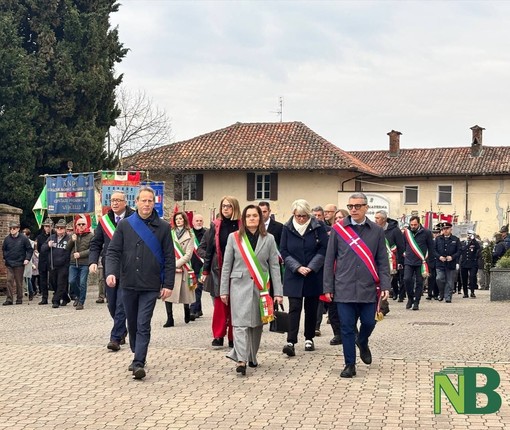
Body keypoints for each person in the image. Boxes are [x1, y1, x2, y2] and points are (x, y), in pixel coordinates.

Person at [106, 186, 175, 380]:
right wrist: (111, 272)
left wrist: (168, 284)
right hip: (128, 283)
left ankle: (138, 362)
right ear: (136, 202)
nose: (146, 204)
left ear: (155, 203)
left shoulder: (163, 227)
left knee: (143, 323)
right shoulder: (125, 225)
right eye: (143, 200)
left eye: (150, 201)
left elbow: (170, 258)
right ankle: (137, 350)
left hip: (150, 285)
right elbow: (113, 252)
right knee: (133, 322)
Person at [323, 192, 391, 378]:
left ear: (366, 208)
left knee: (369, 322)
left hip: (368, 287)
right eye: (350, 206)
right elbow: (330, 260)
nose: (353, 209)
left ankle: (362, 341)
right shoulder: (338, 229)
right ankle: (349, 364)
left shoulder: (376, 231)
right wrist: (328, 287)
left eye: (358, 206)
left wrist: (385, 285)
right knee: (346, 327)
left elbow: (382, 261)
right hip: (344, 287)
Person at [220, 205, 283, 375]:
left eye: (255, 215)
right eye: (248, 216)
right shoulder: (234, 238)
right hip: (238, 285)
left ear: (260, 218)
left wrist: (278, 293)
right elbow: (226, 265)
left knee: (256, 324)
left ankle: (252, 355)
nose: (252, 218)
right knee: (239, 324)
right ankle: (241, 360)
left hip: (261, 287)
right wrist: (223, 290)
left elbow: (274, 266)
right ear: (243, 219)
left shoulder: (269, 239)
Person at [280, 199, 329, 356]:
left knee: (311, 308)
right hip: (294, 274)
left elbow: (323, 248)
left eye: (304, 216)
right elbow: (284, 250)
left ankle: (309, 338)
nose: (301, 218)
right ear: (293, 214)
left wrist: (312, 266)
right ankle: (291, 340)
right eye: (298, 216)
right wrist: (297, 267)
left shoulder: (318, 227)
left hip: (312, 273)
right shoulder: (287, 228)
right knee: (294, 307)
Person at [89, 190, 135, 351]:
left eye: (118, 200)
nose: (114, 203)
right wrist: (93, 261)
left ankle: (115, 338)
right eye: (112, 200)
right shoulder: (104, 221)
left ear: (125, 202)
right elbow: (96, 243)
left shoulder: (134, 218)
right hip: (110, 266)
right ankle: (122, 329)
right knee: (112, 303)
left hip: (129, 266)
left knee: (122, 301)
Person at [201, 196, 241, 348]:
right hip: (219, 268)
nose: (225, 209)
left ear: (235, 208)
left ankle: (233, 336)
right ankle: (218, 335)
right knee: (220, 303)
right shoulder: (216, 225)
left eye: (229, 206)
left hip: (237, 268)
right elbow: (210, 249)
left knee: (235, 304)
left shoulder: (240, 225)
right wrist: (205, 271)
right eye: (223, 206)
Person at [163, 211, 196, 326]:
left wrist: (176, 264)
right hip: (171, 267)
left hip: (184, 267)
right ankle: (169, 318)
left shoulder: (190, 235)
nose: (178, 221)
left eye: (181, 219)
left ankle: (187, 311)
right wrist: (170, 264)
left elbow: (188, 254)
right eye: (177, 219)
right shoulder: (170, 233)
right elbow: (166, 249)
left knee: (184, 293)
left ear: (184, 220)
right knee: (168, 293)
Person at [374, 209, 404, 312]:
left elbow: (401, 246)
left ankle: (382, 307)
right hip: (377, 261)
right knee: (379, 284)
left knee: (385, 283)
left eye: (377, 218)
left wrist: (400, 262)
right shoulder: (375, 230)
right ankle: (384, 306)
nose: (375, 220)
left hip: (391, 261)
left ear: (384, 219)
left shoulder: (395, 230)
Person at [402, 216, 434, 310]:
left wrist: (430, 262)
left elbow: (431, 247)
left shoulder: (426, 232)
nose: (413, 226)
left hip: (421, 261)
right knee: (407, 279)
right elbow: (403, 245)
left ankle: (417, 302)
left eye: (415, 225)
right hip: (409, 260)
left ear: (419, 224)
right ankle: (410, 298)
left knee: (419, 282)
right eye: (411, 225)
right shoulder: (406, 233)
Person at [41, 219, 71, 308]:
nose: (60, 229)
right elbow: (42, 249)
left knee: (61, 283)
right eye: (58, 228)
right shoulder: (51, 237)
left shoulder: (69, 238)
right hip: (53, 265)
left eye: (62, 228)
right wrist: (48, 245)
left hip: (64, 265)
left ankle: (56, 301)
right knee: (54, 284)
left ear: (65, 229)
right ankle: (65, 297)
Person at [2, 221, 33, 305]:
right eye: (11, 228)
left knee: (19, 282)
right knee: (9, 281)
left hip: (19, 263)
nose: (12, 230)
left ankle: (19, 298)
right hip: (9, 263)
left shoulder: (24, 238)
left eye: (14, 228)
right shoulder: (7, 239)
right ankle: (9, 299)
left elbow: (30, 249)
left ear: (18, 229)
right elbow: (4, 249)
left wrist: (27, 259)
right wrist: (6, 258)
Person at [66, 215, 93, 310]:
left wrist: (80, 254)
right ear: (76, 225)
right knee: (72, 281)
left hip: (85, 263)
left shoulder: (91, 236)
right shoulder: (73, 235)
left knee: (82, 283)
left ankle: (81, 302)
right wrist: (71, 241)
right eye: (79, 224)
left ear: (86, 225)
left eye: (83, 224)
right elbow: (67, 249)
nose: (81, 226)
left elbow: (92, 249)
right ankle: (77, 296)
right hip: (73, 263)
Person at [434, 222, 460, 303]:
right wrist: (439, 257)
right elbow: (433, 250)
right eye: (444, 229)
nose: (445, 230)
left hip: (450, 263)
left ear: (450, 229)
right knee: (439, 278)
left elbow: (459, 251)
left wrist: (452, 257)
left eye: (447, 229)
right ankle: (441, 292)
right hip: (440, 263)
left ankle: (448, 296)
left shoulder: (455, 239)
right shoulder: (438, 239)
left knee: (449, 281)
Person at [190, 213, 207, 319]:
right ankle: (198, 309)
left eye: (201, 221)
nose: (199, 222)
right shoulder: (189, 233)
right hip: (191, 264)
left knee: (198, 288)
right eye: (197, 221)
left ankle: (192, 310)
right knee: (193, 288)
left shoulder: (207, 233)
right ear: (192, 222)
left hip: (202, 264)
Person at [36, 218, 53, 305]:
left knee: (53, 279)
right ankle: (44, 297)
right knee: (43, 280)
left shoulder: (54, 236)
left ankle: (56, 296)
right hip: (43, 260)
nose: (47, 228)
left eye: (49, 226)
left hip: (52, 260)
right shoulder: (40, 237)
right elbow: (39, 249)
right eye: (46, 226)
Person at [459, 229, 480, 298]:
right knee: (464, 278)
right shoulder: (463, 243)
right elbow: (462, 249)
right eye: (468, 234)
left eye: (470, 235)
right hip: (464, 262)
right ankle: (465, 293)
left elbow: (478, 248)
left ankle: (472, 292)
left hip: (472, 263)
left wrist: (473, 240)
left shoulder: (475, 243)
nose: (469, 236)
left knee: (472, 277)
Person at [22, 228, 36, 300]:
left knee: (27, 277)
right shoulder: (20, 241)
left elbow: (29, 251)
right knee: (23, 277)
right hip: (21, 260)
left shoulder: (31, 242)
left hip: (27, 260)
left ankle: (31, 292)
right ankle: (26, 291)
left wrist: (27, 259)